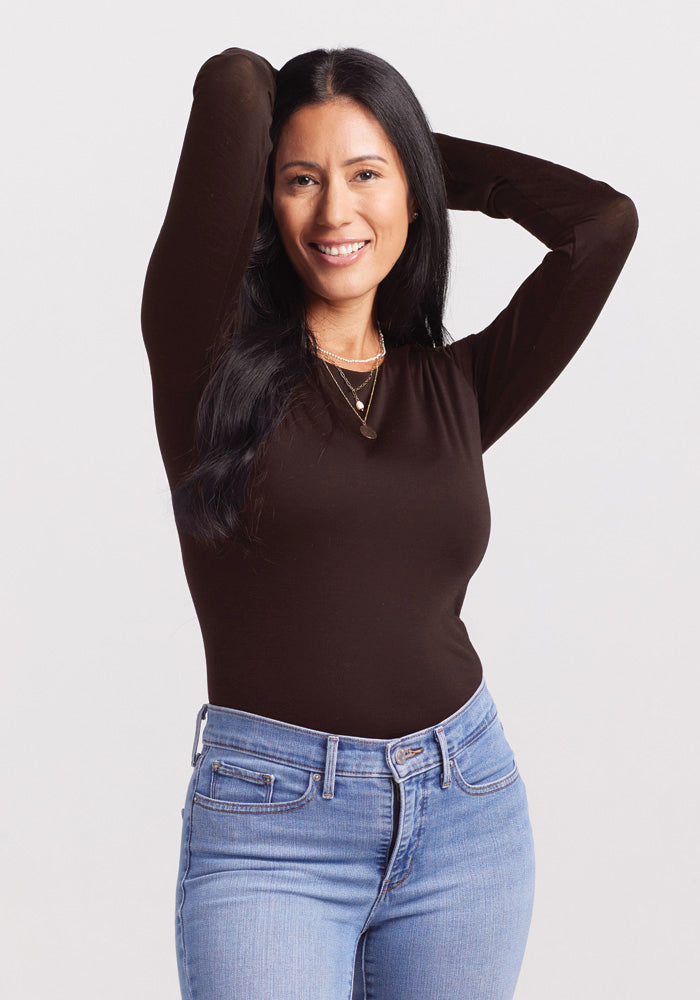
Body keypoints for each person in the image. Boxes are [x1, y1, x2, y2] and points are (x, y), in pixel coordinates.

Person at [140, 45, 638, 1000]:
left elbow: (600, 225)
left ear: (413, 194)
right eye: (300, 181)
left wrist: (405, 154)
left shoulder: (453, 387)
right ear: (261, 201)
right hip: (271, 833)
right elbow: (236, 81)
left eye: (366, 178)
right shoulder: (203, 360)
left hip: (467, 810)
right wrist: (354, 148)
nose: (336, 213)